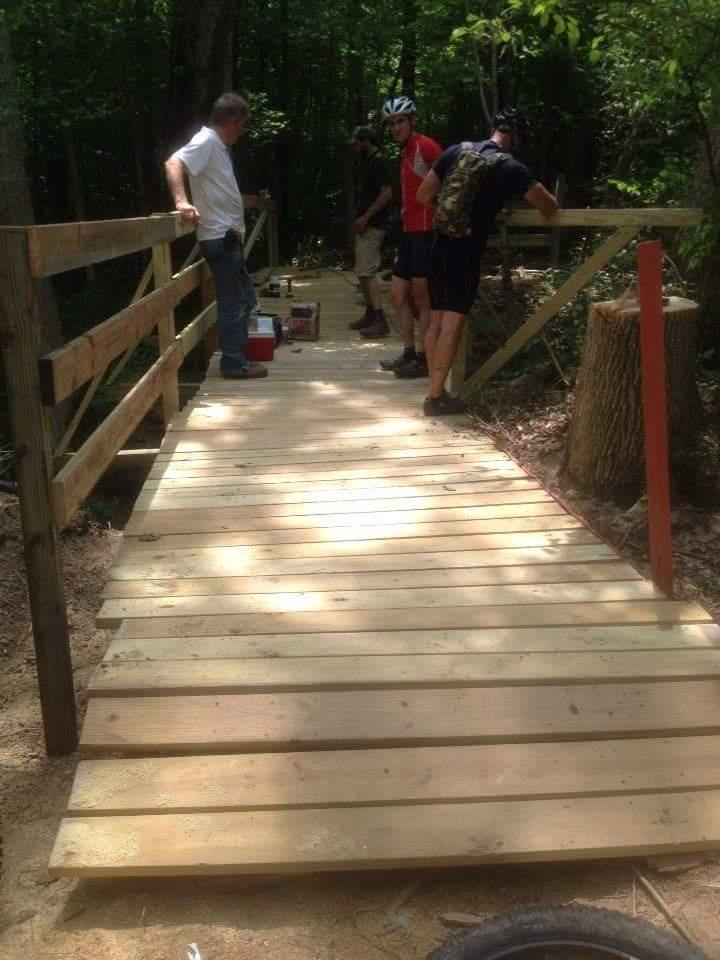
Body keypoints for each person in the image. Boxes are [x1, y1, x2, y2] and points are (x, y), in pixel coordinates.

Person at [417, 107, 558, 415]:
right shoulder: (510, 167)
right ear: (516, 139)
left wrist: (450, 210)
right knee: (452, 325)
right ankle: (436, 395)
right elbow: (547, 204)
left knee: (436, 321)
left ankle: (434, 388)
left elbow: (423, 194)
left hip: (438, 245)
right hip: (464, 252)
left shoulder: (458, 150)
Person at [164, 91, 267, 379]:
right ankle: (235, 364)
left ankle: (238, 357)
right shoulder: (207, 140)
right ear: (233, 121)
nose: (243, 130)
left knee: (244, 300)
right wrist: (182, 202)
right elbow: (173, 163)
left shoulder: (216, 145)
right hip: (219, 237)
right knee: (232, 304)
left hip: (227, 237)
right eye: (243, 124)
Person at [378, 96, 443, 379]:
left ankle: (426, 360)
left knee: (421, 297)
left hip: (426, 233)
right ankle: (409, 353)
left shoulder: (425, 146)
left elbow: (451, 176)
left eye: (400, 121)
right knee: (396, 294)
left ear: (412, 120)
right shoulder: (404, 151)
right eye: (391, 123)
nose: (395, 128)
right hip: (408, 233)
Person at [346, 125, 393, 339]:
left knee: (367, 272)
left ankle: (380, 320)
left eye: (356, 144)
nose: (354, 149)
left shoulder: (380, 161)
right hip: (368, 225)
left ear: (366, 141)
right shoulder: (371, 162)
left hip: (374, 225)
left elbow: (386, 194)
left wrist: (366, 217)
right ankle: (369, 315)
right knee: (362, 272)